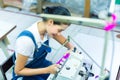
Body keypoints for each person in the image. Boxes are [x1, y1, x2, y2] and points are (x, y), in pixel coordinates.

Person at [12, 6, 74, 80]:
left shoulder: (45, 27)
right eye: (59, 30)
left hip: (40, 64)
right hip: (25, 72)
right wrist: (47, 70)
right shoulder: (26, 41)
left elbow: (60, 38)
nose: (59, 34)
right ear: (50, 22)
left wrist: (71, 47)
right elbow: (18, 71)